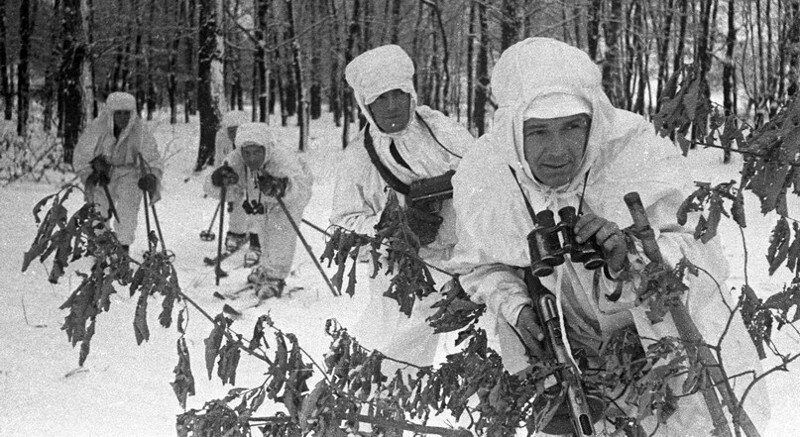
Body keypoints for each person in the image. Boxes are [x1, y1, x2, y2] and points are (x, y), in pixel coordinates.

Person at [450, 38, 770, 434]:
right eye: (538, 132)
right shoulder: (488, 173)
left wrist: (630, 257)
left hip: (668, 348)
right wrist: (517, 307)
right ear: (513, 130)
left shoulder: (635, 152)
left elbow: (701, 257)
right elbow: (480, 262)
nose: (558, 150)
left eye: (572, 127)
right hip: (577, 363)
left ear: (593, 119)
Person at [330, 44, 474, 368]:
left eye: (399, 94)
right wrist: (393, 227)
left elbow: (488, 191)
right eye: (381, 98)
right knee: (389, 350)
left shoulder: (445, 133)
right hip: (399, 270)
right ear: (366, 104)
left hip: (462, 264)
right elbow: (341, 226)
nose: (393, 106)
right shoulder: (359, 156)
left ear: (411, 93)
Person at [205, 122, 312, 299]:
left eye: (256, 152)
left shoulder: (282, 159)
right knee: (262, 230)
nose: (251, 158)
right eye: (246, 153)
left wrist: (282, 186)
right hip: (260, 197)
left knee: (280, 232)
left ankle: (275, 277)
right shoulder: (236, 159)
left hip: (287, 200)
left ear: (265, 149)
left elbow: (302, 190)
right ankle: (265, 267)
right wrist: (217, 180)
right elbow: (227, 192)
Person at [73, 91, 163, 252]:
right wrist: (90, 174)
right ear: (111, 113)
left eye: (127, 113)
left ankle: (123, 249)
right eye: (118, 113)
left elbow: (151, 156)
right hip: (103, 174)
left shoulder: (140, 130)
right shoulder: (97, 128)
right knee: (99, 211)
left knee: (127, 211)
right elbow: (82, 155)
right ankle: (101, 249)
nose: (123, 117)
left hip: (130, 173)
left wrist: (151, 176)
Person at [214, 110, 251, 252]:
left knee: (253, 203)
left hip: (251, 173)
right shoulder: (221, 137)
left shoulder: (251, 138)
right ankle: (236, 233)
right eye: (230, 130)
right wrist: (222, 174)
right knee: (236, 201)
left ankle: (255, 234)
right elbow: (219, 157)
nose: (233, 134)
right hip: (233, 175)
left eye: (236, 130)